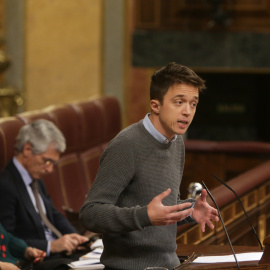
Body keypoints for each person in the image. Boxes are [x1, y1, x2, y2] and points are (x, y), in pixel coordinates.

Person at [79, 62, 219, 270]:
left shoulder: (176, 142)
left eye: (193, 104)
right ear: (155, 105)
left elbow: (158, 208)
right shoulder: (127, 145)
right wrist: (145, 216)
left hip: (169, 265)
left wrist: (190, 211)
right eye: (179, 102)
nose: (187, 112)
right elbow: (90, 214)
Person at [0, 119, 88, 260]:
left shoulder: (35, 177)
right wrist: (50, 246)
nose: (50, 169)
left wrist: (76, 238)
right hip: (38, 260)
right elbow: (6, 239)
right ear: (27, 149)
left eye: (53, 163)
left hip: (59, 254)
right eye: (46, 161)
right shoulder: (6, 185)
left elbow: (52, 214)